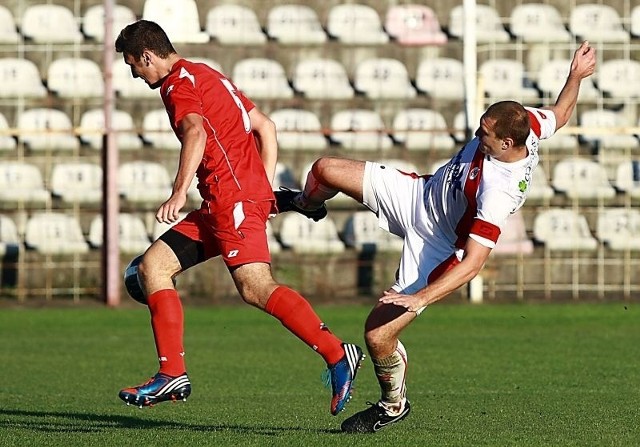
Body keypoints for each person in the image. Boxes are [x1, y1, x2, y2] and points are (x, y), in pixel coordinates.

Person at [276, 41, 597, 432]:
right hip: (417, 194)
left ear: (507, 144)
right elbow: (561, 114)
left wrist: (418, 298)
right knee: (325, 169)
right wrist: (576, 75)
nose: (479, 136)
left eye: (485, 134)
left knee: (378, 336)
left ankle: (393, 404)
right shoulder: (523, 120)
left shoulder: (499, 191)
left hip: (438, 244)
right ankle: (308, 204)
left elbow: (474, 263)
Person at [114, 20, 364, 416]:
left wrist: (179, 191)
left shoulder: (178, 84)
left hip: (229, 200)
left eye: (134, 66)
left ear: (147, 56)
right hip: (223, 202)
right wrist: (260, 190)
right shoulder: (207, 73)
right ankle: (172, 373)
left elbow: (195, 132)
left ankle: (337, 354)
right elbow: (266, 127)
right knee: (153, 266)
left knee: (255, 287)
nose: (134, 74)